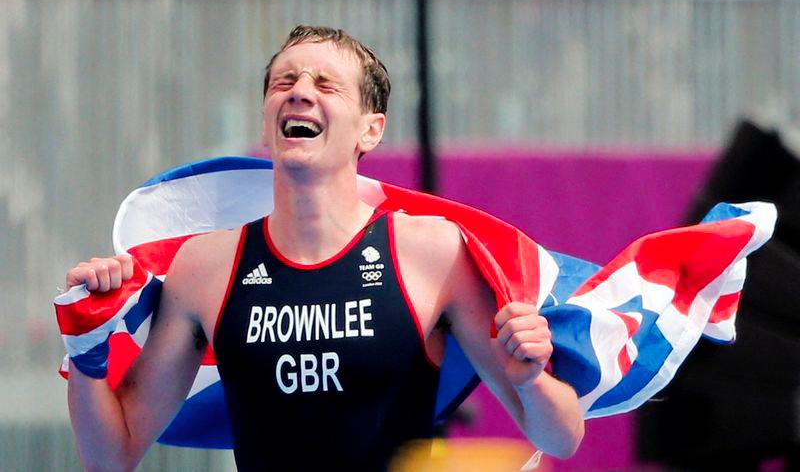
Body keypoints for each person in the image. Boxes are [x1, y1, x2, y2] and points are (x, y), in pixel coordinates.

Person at [62, 25, 584, 471]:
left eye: (326, 84)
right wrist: (86, 354)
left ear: (370, 130)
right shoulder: (204, 267)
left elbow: (561, 438)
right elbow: (113, 454)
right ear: (267, 122)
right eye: (284, 81)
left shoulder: (432, 253)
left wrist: (532, 377)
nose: (299, 91)